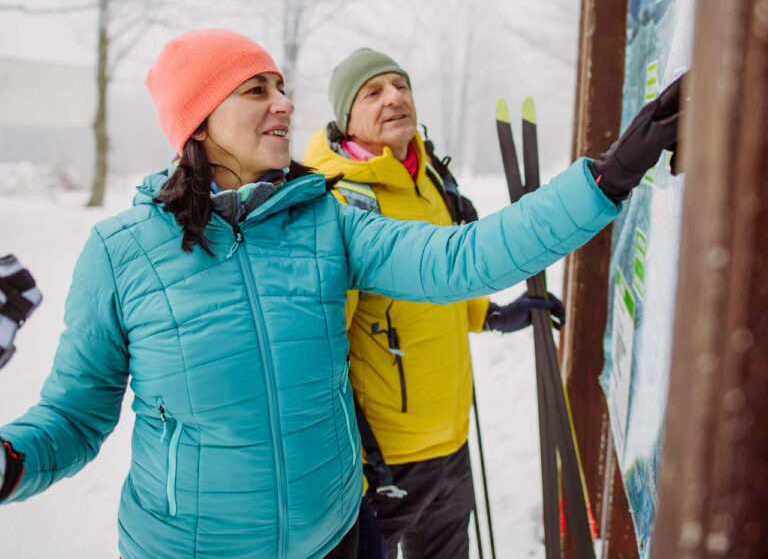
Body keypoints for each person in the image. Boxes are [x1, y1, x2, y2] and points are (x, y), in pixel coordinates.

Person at [0, 29, 682, 559]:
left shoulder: (326, 222)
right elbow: (76, 416)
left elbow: (460, 259)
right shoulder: (121, 253)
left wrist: (610, 176)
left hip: (336, 538)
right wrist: (12, 463)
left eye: (281, 86)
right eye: (256, 90)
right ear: (199, 122)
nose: (284, 104)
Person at [303, 48, 567, 558]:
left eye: (401, 86)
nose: (395, 97)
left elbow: (444, 282)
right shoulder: (337, 201)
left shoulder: (431, 179)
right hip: (384, 460)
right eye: (374, 91)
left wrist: (488, 313)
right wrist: (349, 461)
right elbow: (320, 347)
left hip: (451, 438)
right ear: (346, 117)